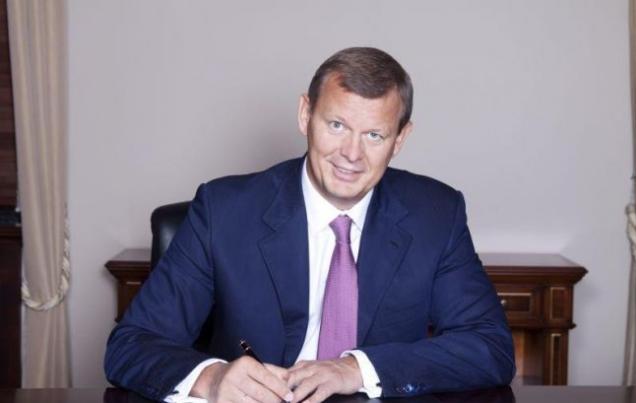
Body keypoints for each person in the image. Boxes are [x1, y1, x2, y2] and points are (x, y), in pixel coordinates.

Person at [104, 47, 515, 403]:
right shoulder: (223, 211)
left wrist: (356, 369)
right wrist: (212, 380)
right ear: (305, 115)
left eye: (374, 135)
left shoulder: (435, 214)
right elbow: (132, 344)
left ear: (400, 139)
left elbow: (490, 347)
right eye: (337, 126)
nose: (351, 154)